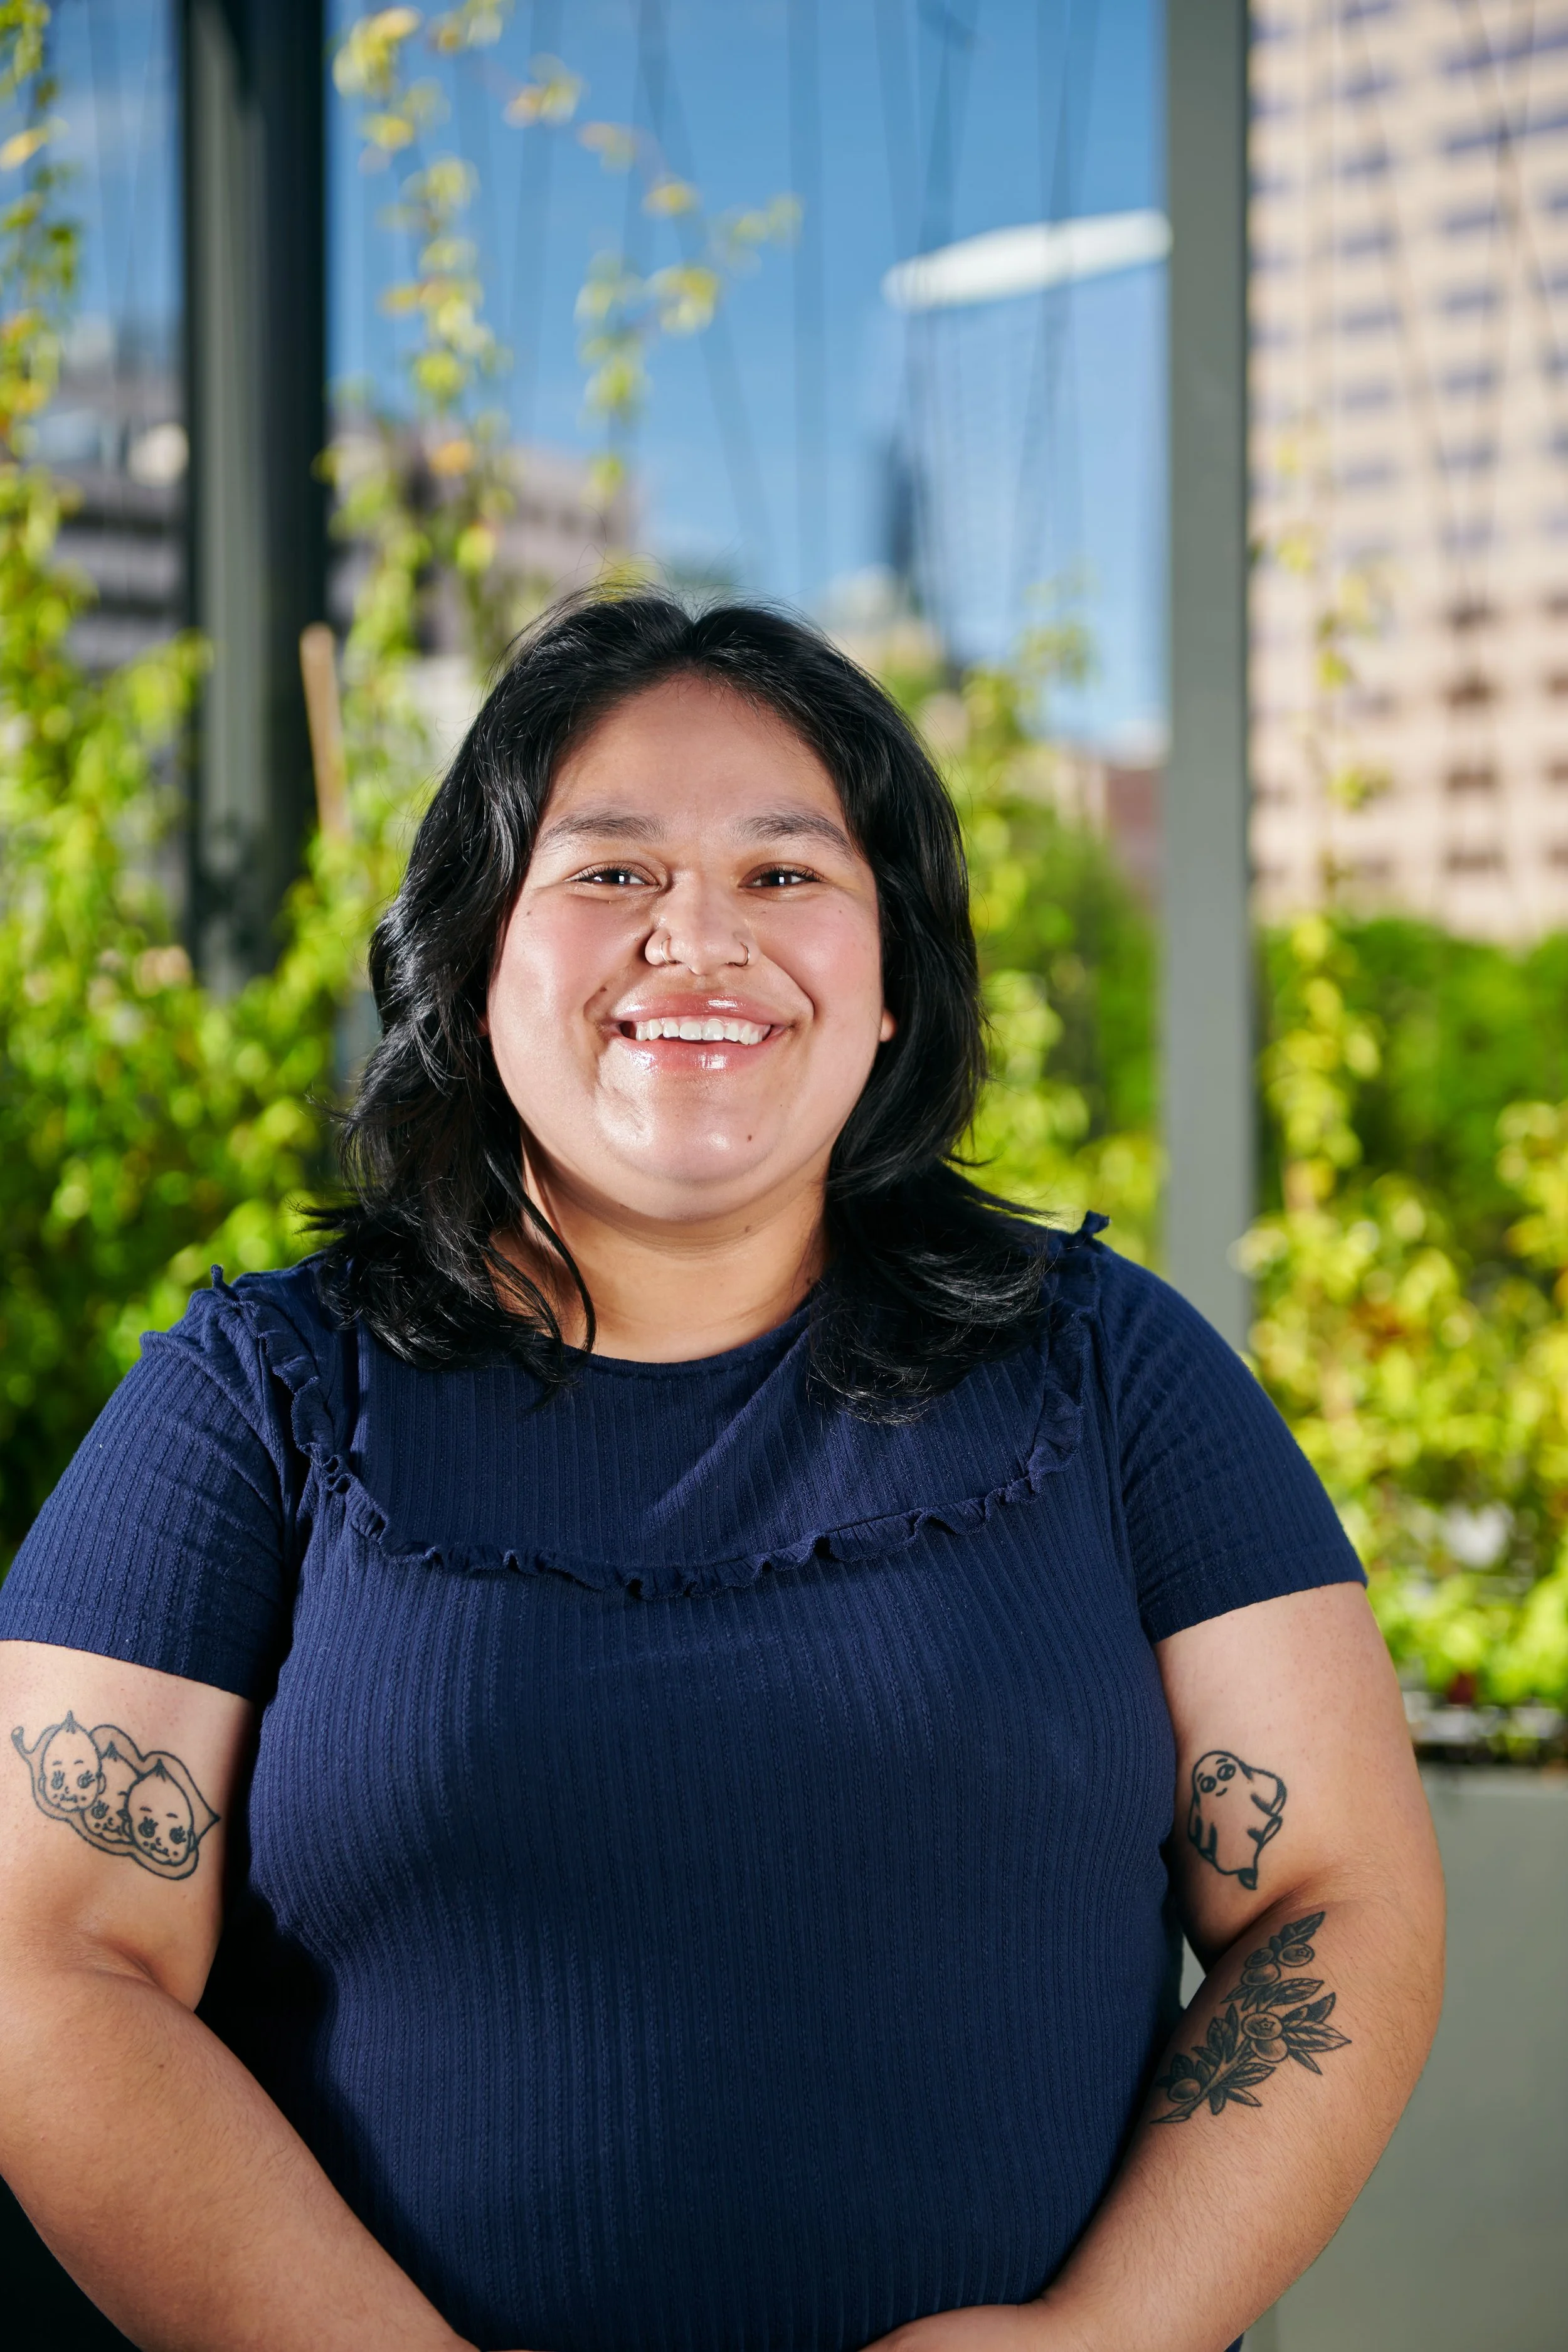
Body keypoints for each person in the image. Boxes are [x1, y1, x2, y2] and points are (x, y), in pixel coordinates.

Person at [0, 593, 1443, 2352]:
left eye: (784, 872)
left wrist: (1102, 2339)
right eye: (611, 870)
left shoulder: (1113, 1368)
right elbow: (47, 1959)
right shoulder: (253, 1400)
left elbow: (1336, 1897)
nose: (697, 937)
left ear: (893, 983)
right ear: (471, 958)